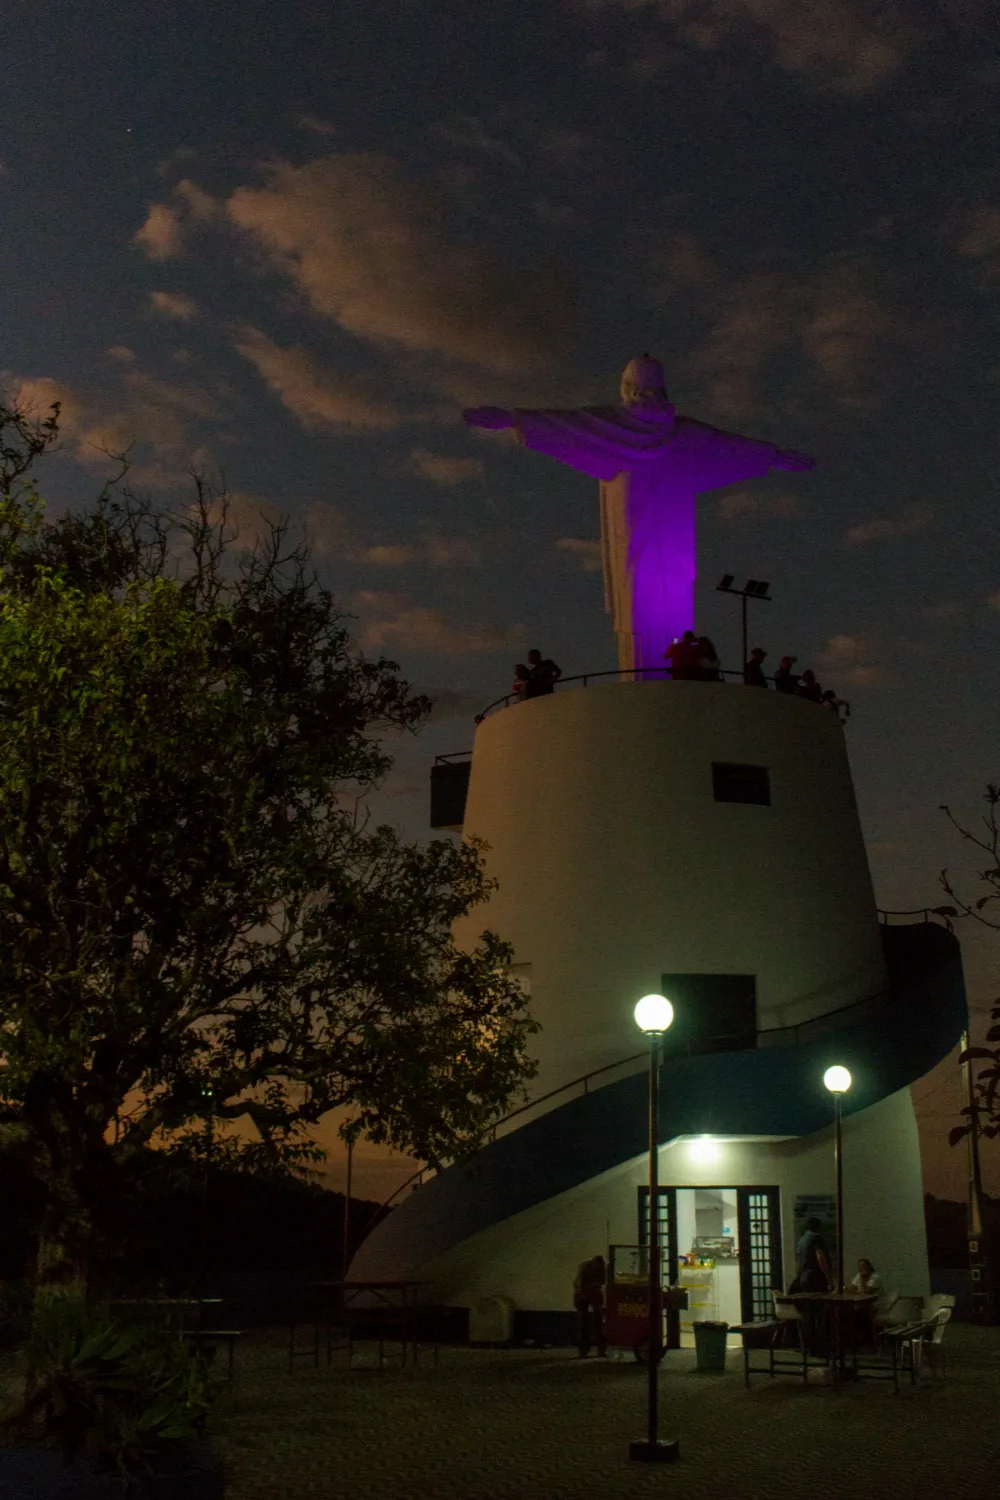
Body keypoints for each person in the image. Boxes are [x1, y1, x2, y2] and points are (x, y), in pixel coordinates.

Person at [464, 355, 814, 673]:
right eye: (641, 388)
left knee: (675, 585)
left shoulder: (683, 433)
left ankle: (679, 666)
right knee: (639, 587)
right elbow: (566, 425)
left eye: (654, 388)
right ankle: (643, 671)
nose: (648, 395)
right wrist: (512, 420)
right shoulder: (609, 424)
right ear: (627, 390)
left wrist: (774, 457)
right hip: (633, 518)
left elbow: (729, 446)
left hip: (674, 516)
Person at [573, 1254, 607, 1358]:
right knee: (589, 1322)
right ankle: (592, 1350)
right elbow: (578, 1283)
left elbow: (602, 1281)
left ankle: (585, 1351)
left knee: (588, 1322)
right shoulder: (585, 1266)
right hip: (585, 1293)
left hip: (588, 1293)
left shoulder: (595, 1267)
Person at [789, 1216, 832, 1294]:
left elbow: (798, 1260)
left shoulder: (801, 1240)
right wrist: (829, 1279)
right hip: (815, 1278)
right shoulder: (817, 1238)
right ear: (819, 1227)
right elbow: (821, 1258)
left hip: (803, 1276)